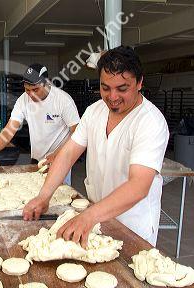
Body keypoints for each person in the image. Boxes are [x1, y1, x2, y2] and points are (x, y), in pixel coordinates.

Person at [23, 46, 169, 247]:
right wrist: (44, 196)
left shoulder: (150, 122)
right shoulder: (94, 112)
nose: (113, 96)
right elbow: (68, 154)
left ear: (140, 83)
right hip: (95, 219)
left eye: (122, 88)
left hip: (132, 225)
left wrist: (88, 216)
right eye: (105, 88)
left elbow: (139, 186)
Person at [0, 64, 80, 185]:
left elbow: (77, 133)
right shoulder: (23, 100)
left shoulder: (62, 100)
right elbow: (8, 131)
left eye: (35, 89)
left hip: (60, 160)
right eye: (27, 90)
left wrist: (57, 155)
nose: (31, 94)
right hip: (37, 160)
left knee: (59, 199)